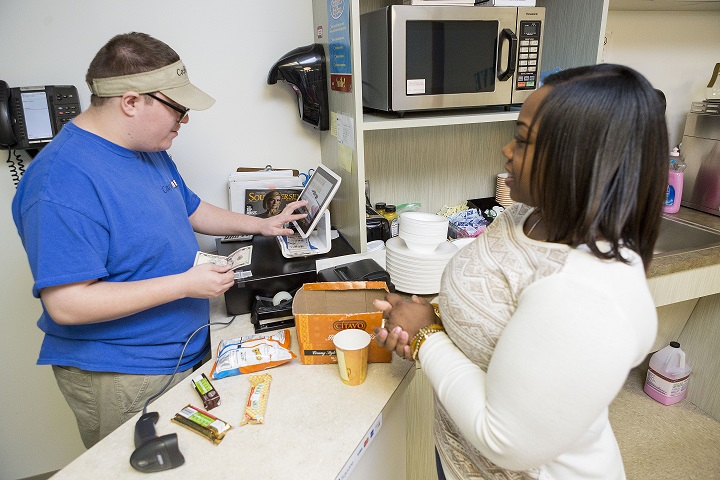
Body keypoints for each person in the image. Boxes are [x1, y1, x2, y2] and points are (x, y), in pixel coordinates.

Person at [11, 32, 307, 449]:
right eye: (178, 109)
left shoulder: (145, 147)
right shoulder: (61, 182)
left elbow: (189, 208)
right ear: (132, 102)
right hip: (123, 375)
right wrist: (186, 285)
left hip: (181, 349)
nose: (184, 121)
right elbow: (67, 304)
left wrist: (262, 224)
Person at [374, 63, 668, 479]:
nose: (506, 150)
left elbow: (504, 440)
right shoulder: (527, 215)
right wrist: (436, 316)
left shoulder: (586, 294)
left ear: (578, 161)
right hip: (461, 455)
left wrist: (426, 336)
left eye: (524, 140)